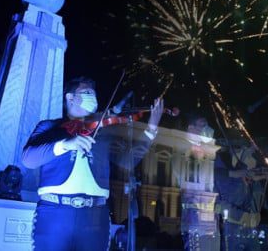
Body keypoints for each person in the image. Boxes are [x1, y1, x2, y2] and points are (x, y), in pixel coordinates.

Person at [22, 76, 164, 250]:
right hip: (54, 212)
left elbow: (127, 161)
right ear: (70, 97)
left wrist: (151, 130)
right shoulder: (50, 127)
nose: (93, 97)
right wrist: (65, 144)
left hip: (95, 216)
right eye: (87, 92)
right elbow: (28, 158)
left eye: (94, 93)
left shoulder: (101, 132)